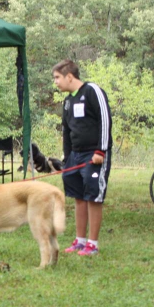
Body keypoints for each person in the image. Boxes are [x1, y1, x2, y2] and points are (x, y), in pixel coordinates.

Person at [52, 59, 112, 256]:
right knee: (78, 197)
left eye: (57, 78)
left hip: (94, 154)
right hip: (75, 156)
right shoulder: (68, 101)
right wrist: (67, 158)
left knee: (93, 197)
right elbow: (67, 131)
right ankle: (80, 240)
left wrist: (100, 151)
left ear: (70, 76)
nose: (56, 82)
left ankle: (93, 244)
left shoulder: (92, 91)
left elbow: (105, 119)